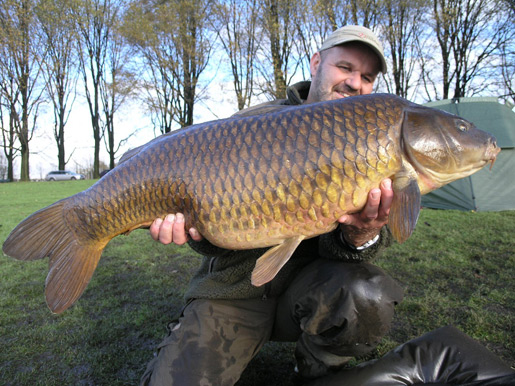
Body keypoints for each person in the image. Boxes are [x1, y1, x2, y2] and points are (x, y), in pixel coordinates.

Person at [140, 25, 404, 385]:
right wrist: (191, 230)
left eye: (367, 76)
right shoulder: (254, 124)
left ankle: (315, 373)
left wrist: (362, 234)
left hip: (312, 293)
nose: (355, 83)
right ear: (316, 63)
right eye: (345, 67)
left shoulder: (375, 141)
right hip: (235, 292)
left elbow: (357, 250)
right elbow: (209, 235)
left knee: (365, 294)